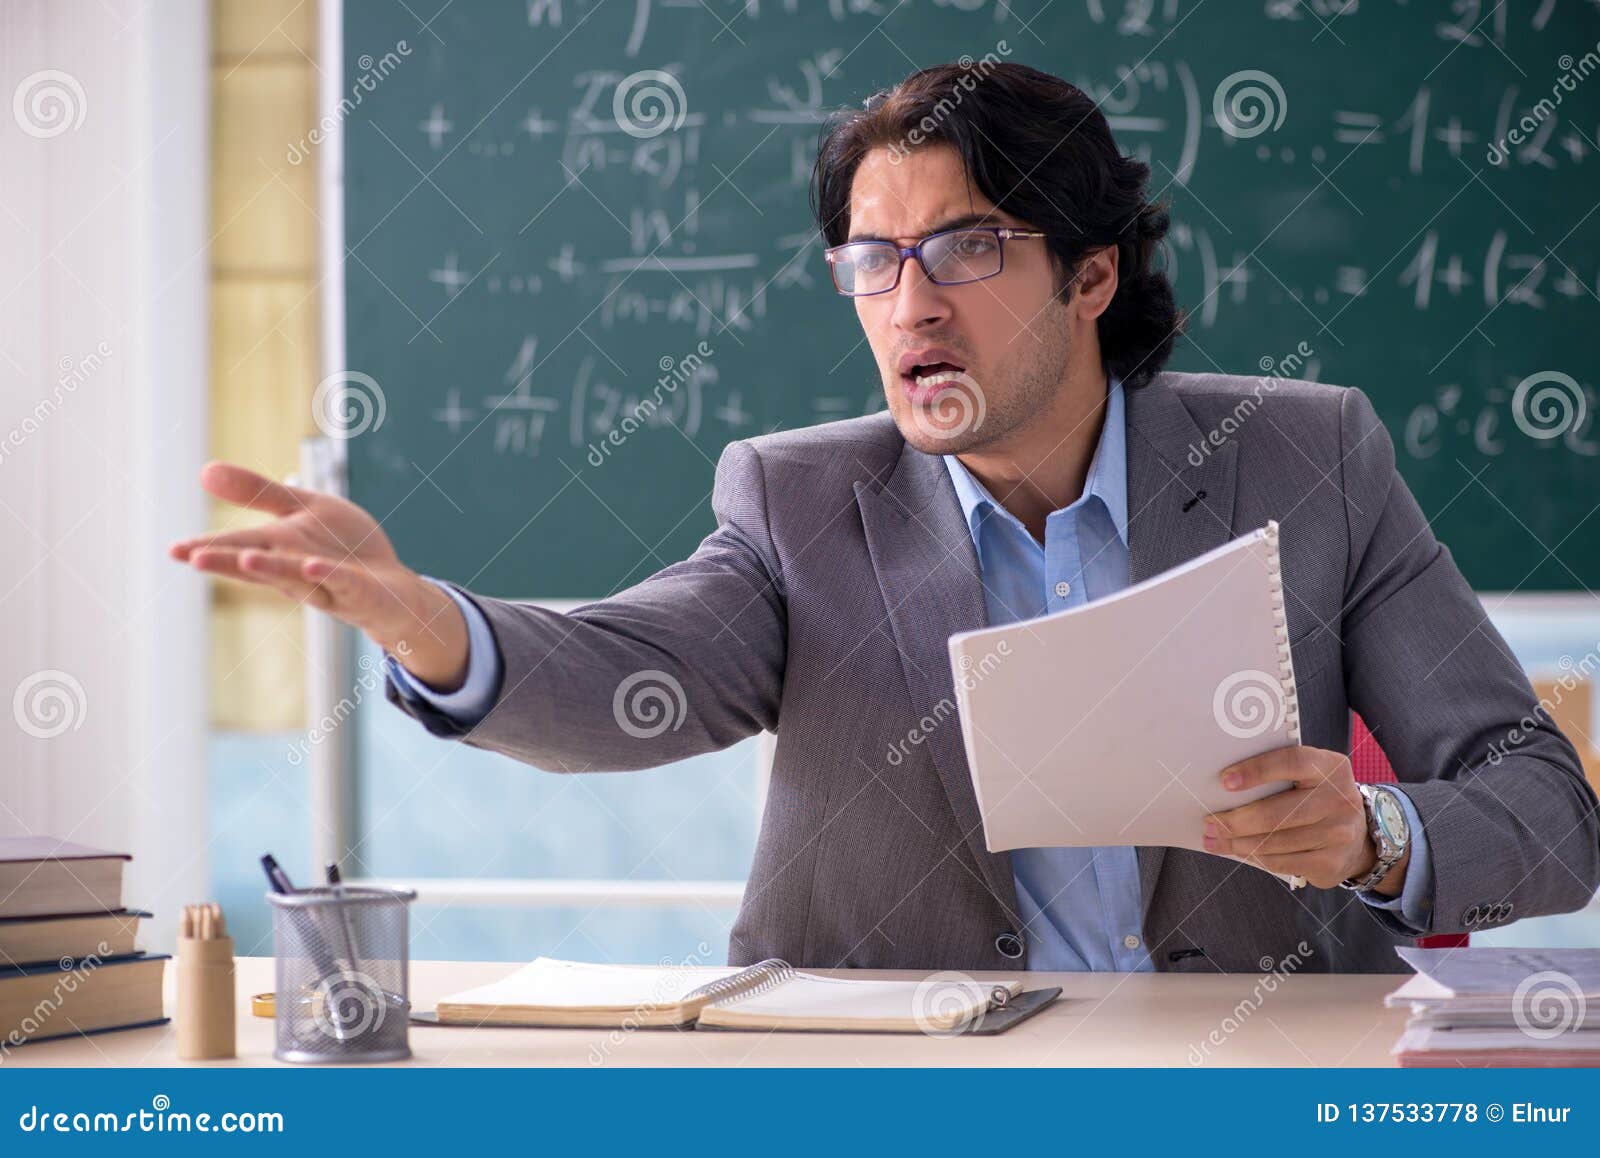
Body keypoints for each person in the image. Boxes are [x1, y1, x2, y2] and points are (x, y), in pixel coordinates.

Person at [171, 62, 1599, 973]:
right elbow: (634, 675)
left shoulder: (1306, 458)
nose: (910, 301)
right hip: (891, 1095)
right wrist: (432, 627)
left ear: (1090, 276)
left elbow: (1545, 804)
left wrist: (1377, 839)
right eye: (872, 259)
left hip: (1241, 1093)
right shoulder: (799, 498)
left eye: (964, 249)